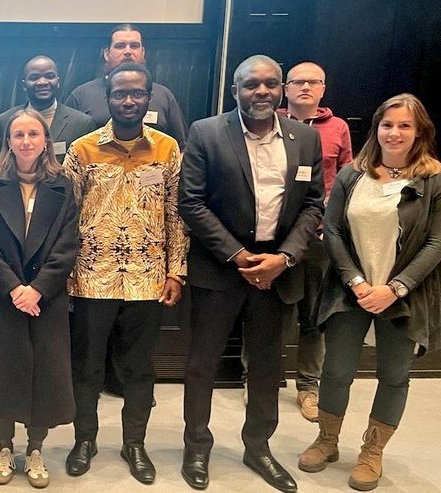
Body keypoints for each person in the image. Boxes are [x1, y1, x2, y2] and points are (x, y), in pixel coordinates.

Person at [177, 54, 324, 493]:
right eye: (251, 84)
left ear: (280, 89)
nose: (261, 91)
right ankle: (196, 445)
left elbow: (313, 203)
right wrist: (238, 255)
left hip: (278, 270)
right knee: (202, 365)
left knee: (265, 367)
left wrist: (285, 258)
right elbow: (192, 203)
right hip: (221, 269)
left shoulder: (306, 139)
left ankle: (258, 446)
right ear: (234, 90)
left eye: (270, 84)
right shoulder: (206, 133)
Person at [299, 93, 441, 491]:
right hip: (350, 290)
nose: (394, 133)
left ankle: (372, 452)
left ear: (420, 132)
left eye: (404, 125)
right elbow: (334, 231)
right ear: (376, 128)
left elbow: (436, 242)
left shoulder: (433, 179)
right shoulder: (351, 175)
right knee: (336, 369)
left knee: (394, 376)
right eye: (387, 124)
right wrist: (358, 282)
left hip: (405, 294)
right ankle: (327, 440)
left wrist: (395, 288)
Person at [62, 63, 187, 483]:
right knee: (87, 366)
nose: (128, 101)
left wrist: (176, 271)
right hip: (90, 277)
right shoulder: (81, 150)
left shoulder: (168, 149)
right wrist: (62, 273)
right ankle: (85, 439)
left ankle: (135, 443)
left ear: (149, 97)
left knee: (139, 369)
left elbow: (176, 214)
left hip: (148, 280)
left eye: (137, 94)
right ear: (108, 98)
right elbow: (65, 216)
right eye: (120, 94)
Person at [0, 108, 79, 489]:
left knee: (43, 378)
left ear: (46, 140)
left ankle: (35, 449)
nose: (27, 141)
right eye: (18, 135)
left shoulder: (63, 185)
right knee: (3, 374)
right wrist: (15, 288)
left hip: (45, 300)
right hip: (4, 297)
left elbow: (67, 245)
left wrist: (37, 289)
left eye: (34, 134)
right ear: (8, 142)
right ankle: (3, 446)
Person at [277, 61, 354, 422]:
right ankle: (256, 377)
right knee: (269, 314)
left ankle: (308, 386)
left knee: (312, 316)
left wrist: (331, 223)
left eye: (314, 82)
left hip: (319, 235)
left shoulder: (337, 128)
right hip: (275, 238)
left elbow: (346, 179)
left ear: (323, 89)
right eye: (298, 82)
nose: (305, 87)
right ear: (285, 88)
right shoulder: (269, 122)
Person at [65, 24, 188, 146]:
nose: (128, 51)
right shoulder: (81, 95)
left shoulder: (163, 95)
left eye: (134, 46)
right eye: (120, 46)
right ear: (107, 54)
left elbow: (181, 147)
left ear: (143, 52)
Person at [0, 55, 95, 163]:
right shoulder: (5, 121)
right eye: (34, 77)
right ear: (24, 85)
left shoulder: (82, 123)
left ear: (58, 82)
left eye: (49, 76)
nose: (42, 82)